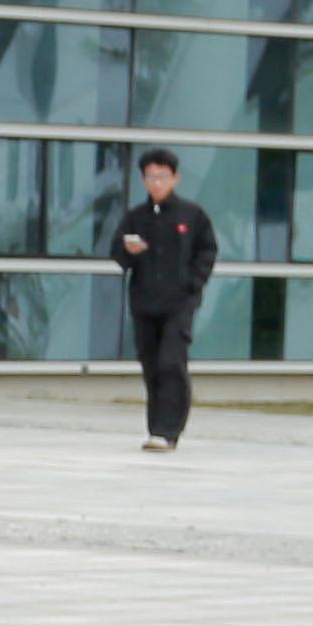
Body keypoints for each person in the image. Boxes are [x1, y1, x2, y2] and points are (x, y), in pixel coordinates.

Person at [107, 150, 218, 450]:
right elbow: (118, 255)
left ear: (175, 178)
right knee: (151, 364)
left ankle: (169, 430)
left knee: (171, 361)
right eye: (151, 177)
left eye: (163, 177)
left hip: (179, 303)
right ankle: (155, 428)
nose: (157, 183)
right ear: (143, 180)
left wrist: (192, 284)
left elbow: (207, 251)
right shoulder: (135, 217)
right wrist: (128, 251)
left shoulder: (192, 216)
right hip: (144, 302)